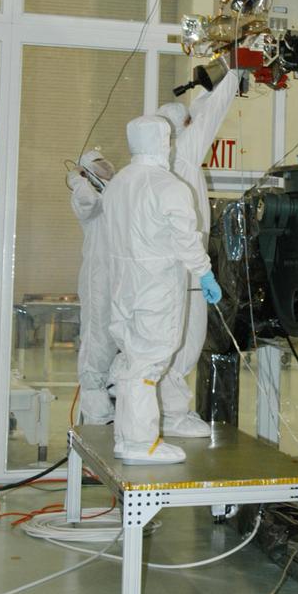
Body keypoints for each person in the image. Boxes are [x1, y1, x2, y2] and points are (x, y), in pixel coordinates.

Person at [103, 115, 222, 464]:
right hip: (155, 287)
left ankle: (127, 437)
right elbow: (185, 239)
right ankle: (141, 443)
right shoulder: (168, 185)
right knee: (150, 360)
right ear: (163, 142)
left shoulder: (119, 183)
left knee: (131, 359)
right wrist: (205, 273)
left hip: (123, 285)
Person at [156, 65, 240, 438]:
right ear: (183, 128)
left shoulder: (160, 162)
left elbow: (200, 115)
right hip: (189, 264)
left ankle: (163, 410)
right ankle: (173, 413)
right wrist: (233, 74)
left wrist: (208, 87)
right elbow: (210, 118)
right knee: (187, 338)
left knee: (169, 337)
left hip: (166, 264)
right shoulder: (185, 154)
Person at [67, 149, 117, 424]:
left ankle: (112, 405)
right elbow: (87, 201)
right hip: (98, 280)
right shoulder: (88, 197)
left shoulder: (115, 194)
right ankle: (96, 415)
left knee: (117, 341)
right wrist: (77, 180)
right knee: (97, 341)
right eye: (98, 168)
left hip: (120, 280)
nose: (106, 170)